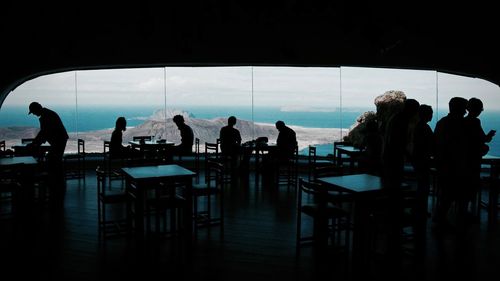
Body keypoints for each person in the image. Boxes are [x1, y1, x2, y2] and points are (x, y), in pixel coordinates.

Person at [434, 97, 468, 227]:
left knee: (446, 193)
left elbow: (436, 143)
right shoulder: (462, 124)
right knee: (456, 194)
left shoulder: (442, 122)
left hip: (443, 163)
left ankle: (440, 217)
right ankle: (455, 220)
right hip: (457, 164)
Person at [27, 101, 69, 209]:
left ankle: (57, 184)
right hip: (59, 140)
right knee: (55, 160)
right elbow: (45, 133)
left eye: (33, 112)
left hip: (59, 141)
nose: (34, 114)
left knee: (54, 160)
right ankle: (59, 184)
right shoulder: (48, 114)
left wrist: (35, 143)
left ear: (37, 109)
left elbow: (44, 132)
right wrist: (37, 142)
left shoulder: (45, 116)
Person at [463, 97, 496, 221]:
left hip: (463, 159)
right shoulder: (475, 122)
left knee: (465, 186)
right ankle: (469, 212)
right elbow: (483, 139)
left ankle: (463, 211)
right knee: (472, 185)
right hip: (473, 160)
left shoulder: (463, 121)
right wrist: (490, 136)